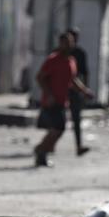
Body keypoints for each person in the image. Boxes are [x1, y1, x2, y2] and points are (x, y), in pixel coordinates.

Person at [34, 32, 93, 167]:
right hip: (51, 101)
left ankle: (42, 152)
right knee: (57, 129)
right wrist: (49, 94)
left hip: (62, 100)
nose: (67, 45)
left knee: (58, 129)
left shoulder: (71, 61)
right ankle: (41, 150)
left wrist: (84, 91)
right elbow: (40, 77)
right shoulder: (53, 60)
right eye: (64, 42)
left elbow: (72, 80)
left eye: (70, 42)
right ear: (60, 44)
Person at [66, 27, 90, 156]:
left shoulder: (79, 54)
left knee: (76, 119)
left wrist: (84, 90)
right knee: (56, 122)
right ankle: (47, 146)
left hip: (75, 91)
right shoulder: (59, 54)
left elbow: (82, 74)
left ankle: (78, 145)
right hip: (61, 91)